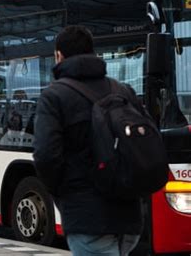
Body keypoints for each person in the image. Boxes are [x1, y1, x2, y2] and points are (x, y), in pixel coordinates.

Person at [33, 25, 143, 256]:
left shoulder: (54, 96)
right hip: (129, 219)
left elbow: (45, 156)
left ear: (59, 56)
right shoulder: (123, 91)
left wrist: (64, 195)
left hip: (87, 219)